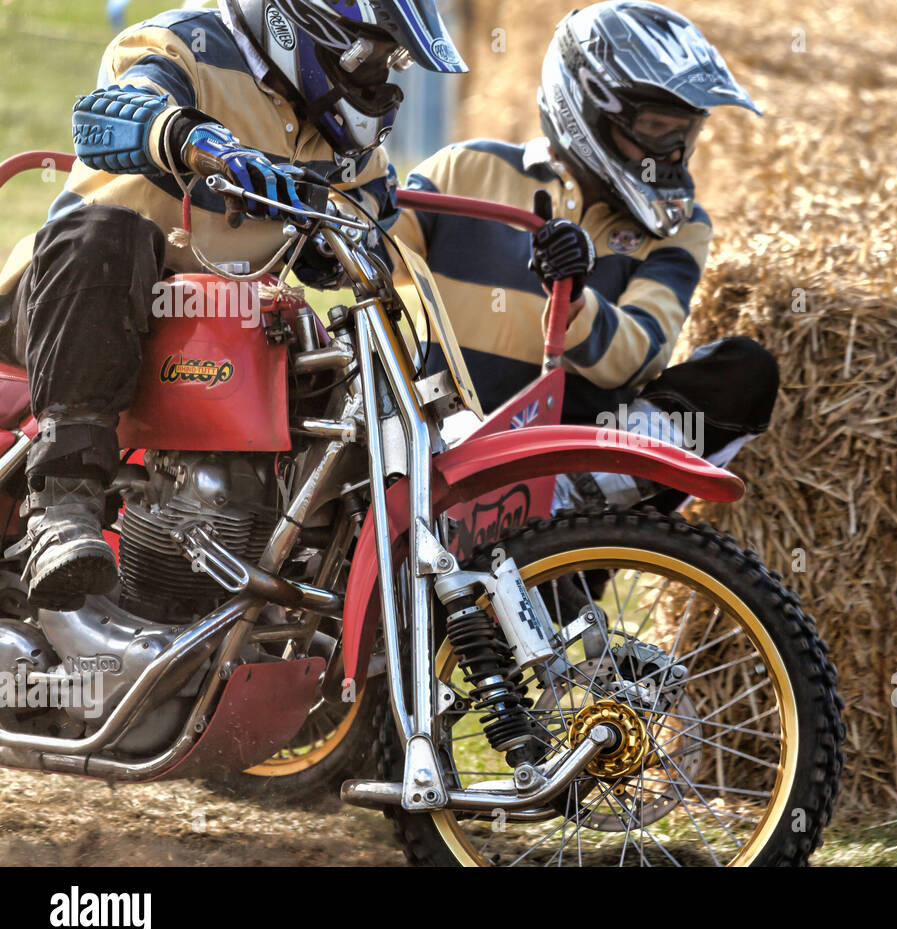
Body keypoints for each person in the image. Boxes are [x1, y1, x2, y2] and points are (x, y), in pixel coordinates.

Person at [0, 0, 466, 611]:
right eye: (370, 53)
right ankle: (61, 510)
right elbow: (106, 116)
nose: (381, 76)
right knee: (106, 234)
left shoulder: (345, 139)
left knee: (324, 352)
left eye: (392, 58)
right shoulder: (181, 45)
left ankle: (313, 583)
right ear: (299, 24)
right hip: (67, 310)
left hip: (207, 338)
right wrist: (191, 137)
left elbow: (373, 223)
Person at [391, 0, 779, 513]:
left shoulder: (683, 226)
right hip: (444, 456)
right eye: (659, 130)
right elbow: (370, 255)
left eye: (684, 135)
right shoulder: (465, 168)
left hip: (577, 471)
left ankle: (567, 506)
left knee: (746, 371)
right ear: (588, 109)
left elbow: (640, 352)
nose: (674, 156)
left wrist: (572, 302)